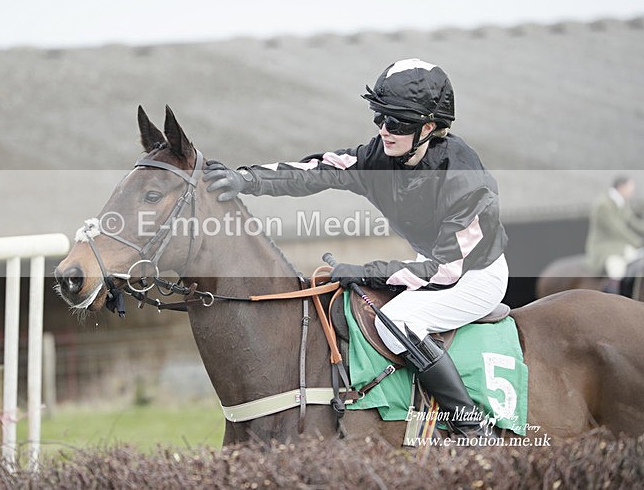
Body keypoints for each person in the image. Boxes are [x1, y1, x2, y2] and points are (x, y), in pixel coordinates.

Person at [203, 58, 508, 438]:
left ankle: (471, 426)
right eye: (379, 118)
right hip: (430, 262)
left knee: (399, 321)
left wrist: (364, 270)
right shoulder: (379, 156)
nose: (384, 130)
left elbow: (447, 271)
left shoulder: (464, 178)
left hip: (474, 274)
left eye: (396, 123)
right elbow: (317, 169)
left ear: (429, 127)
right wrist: (246, 179)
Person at [585, 176, 644, 294]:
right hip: (606, 248)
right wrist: (638, 242)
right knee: (617, 267)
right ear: (621, 187)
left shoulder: (623, 202)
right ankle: (613, 295)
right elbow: (617, 229)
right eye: (630, 188)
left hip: (622, 245)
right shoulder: (603, 204)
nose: (632, 192)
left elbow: (633, 222)